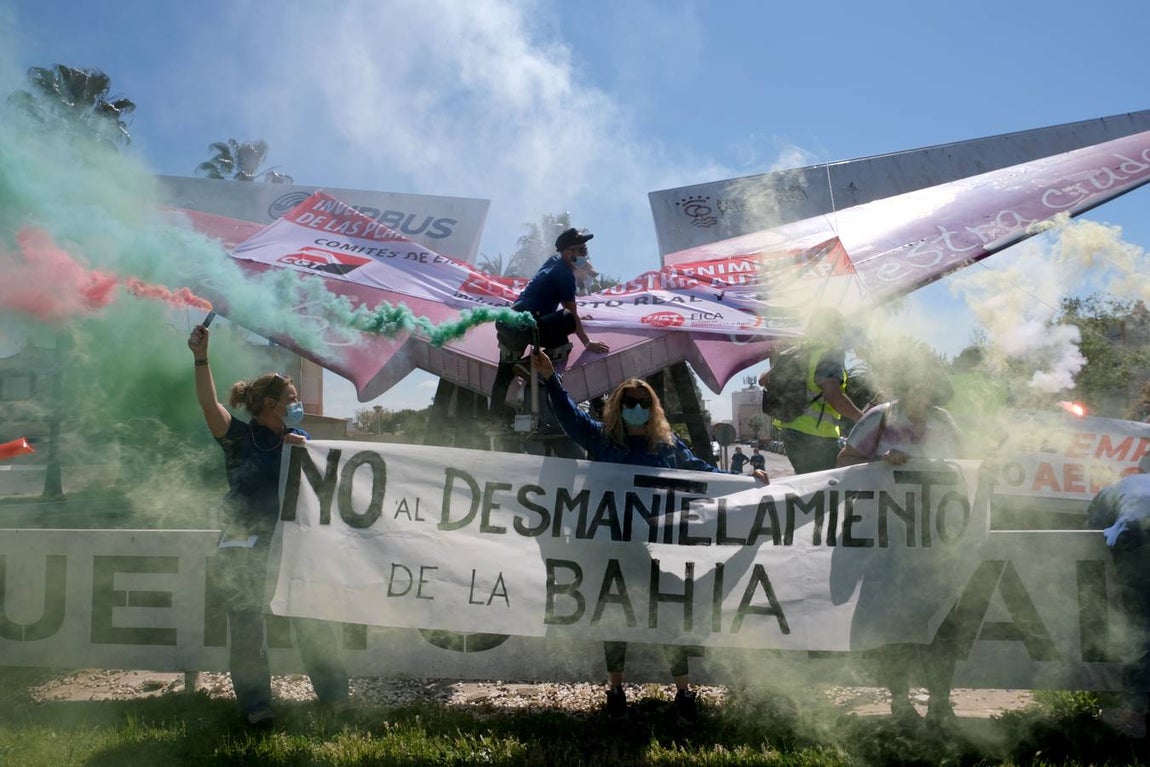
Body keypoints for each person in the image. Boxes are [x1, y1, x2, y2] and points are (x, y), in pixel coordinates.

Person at [531, 349, 769, 725]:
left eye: (643, 403)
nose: (636, 408)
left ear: (653, 407)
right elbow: (570, 417)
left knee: (669, 617)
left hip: (655, 551)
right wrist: (550, 380)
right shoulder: (603, 440)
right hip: (609, 547)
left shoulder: (667, 446)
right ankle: (614, 691)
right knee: (614, 619)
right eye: (629, 402)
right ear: (618, 405)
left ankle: (684, 693)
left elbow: (704, 474)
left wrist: (747, 483)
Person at [188, 323, 349, 727]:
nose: (298, 406)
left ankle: (334, 696)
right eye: (292, 399)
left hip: (293, 546)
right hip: (245, 545)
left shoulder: (301, 440)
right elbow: (210, 406)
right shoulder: (239, 438)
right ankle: (256, 704)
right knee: (245, 625)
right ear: (270, 405)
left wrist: (305, 448)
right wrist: (201, 358)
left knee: (311, 617)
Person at [835, 354, 964, 730]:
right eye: (915, 383)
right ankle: (900, 702)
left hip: (938, 543)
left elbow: (965, 468)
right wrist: (880, 465)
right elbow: (844, 461)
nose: (922, 391)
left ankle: (940, 703)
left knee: (941, 623)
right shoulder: (880, 418)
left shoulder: (944, 421)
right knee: (896, 623)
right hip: (888, 541)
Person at [489, 227, 609, 421]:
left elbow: (545, 297)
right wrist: (588, 343)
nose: (585, 255)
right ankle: (528, 365)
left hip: (508, 322)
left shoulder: (552, 261)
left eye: (586, 250)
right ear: (567, 253)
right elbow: (571, 313)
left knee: (503, 375)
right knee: (567, 324)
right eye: (581, 250)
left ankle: (491, 421)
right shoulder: (566, 275)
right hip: (526, 327)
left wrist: (586, 267)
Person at [1085, 454, 1150, 739]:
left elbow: (1090, 524)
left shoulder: (1117, 487)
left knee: (1140, 631)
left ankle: (1134, 716)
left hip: (1137, 545)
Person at [763, 310, 865, 474]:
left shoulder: (796, 351)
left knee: (814, 491)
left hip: (790, 433)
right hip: (815, 437)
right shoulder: (829, 353)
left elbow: (763, 380)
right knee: (830, 490)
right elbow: (833, 396)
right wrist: (863, 419)